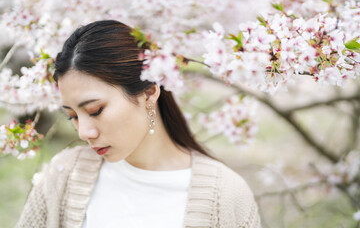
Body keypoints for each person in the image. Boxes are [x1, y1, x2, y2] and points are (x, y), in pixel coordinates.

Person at [16, 20, 261, 228]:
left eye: (95, 110)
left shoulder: (226, 195)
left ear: (149, 93)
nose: (84, 132)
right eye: (73, 116)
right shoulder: (64, 175)